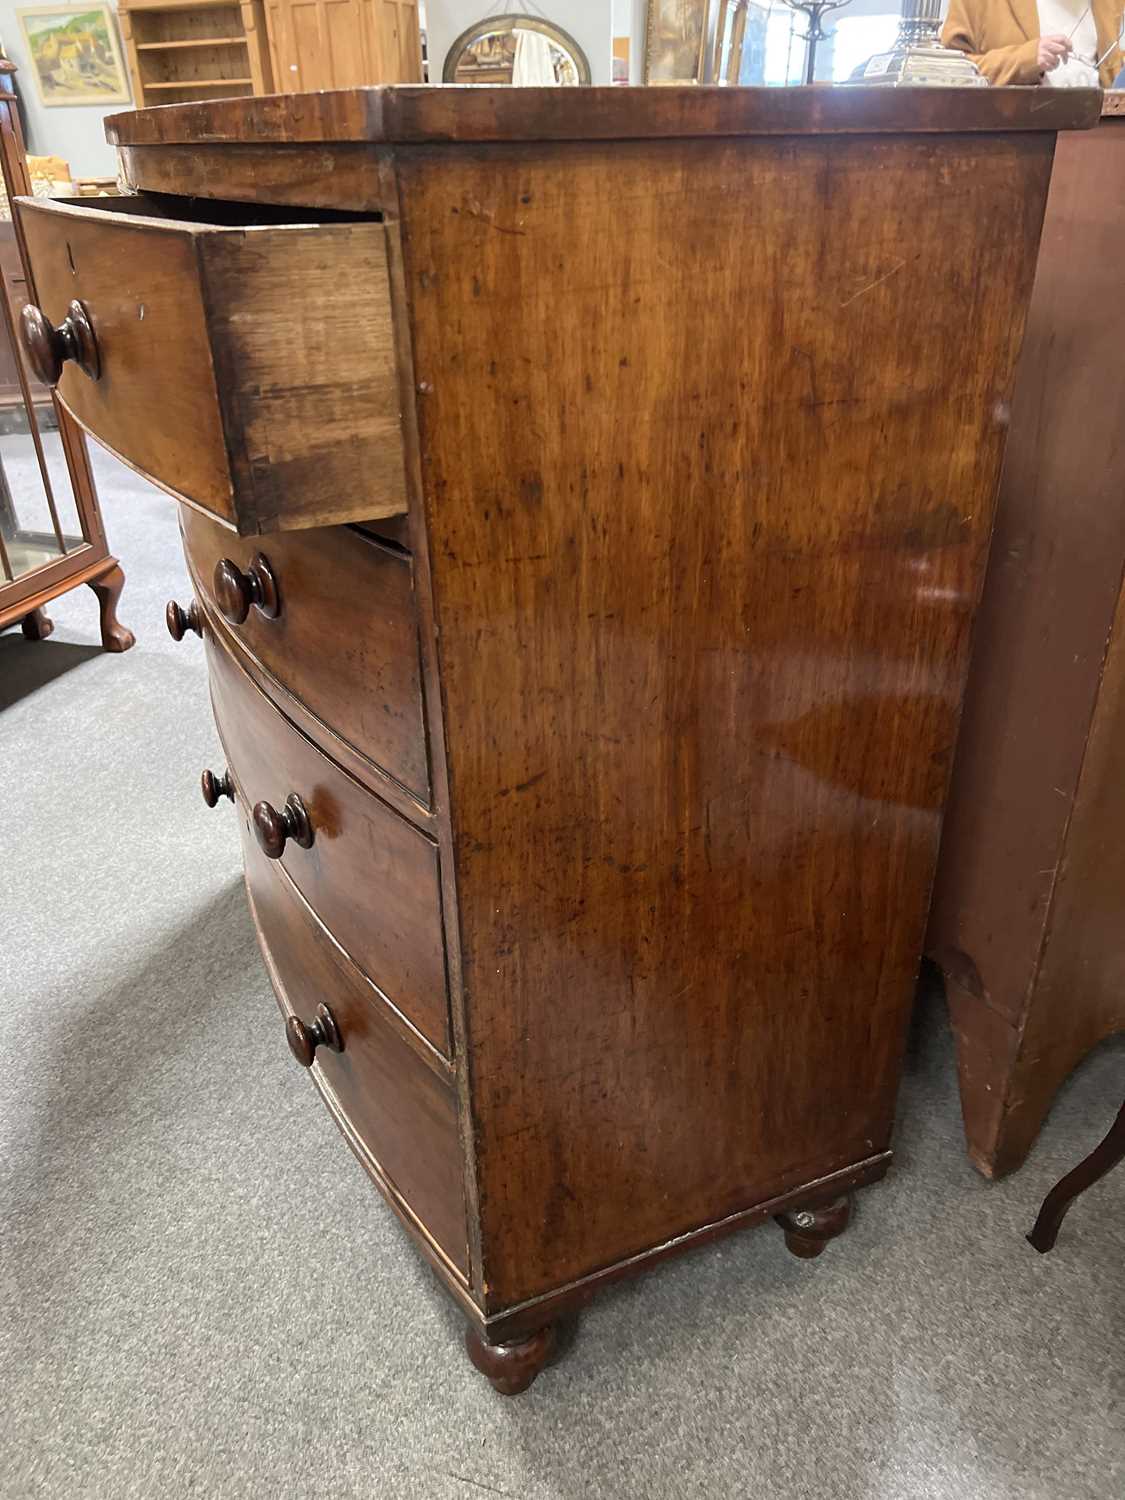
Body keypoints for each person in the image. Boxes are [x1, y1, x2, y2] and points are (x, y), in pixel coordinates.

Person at [942, 0, 1124, 86]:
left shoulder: (1110, 4)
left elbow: (1113, 74)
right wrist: (1025, 60)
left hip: (1096, 144)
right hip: (1010, 146)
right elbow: (947, 73)